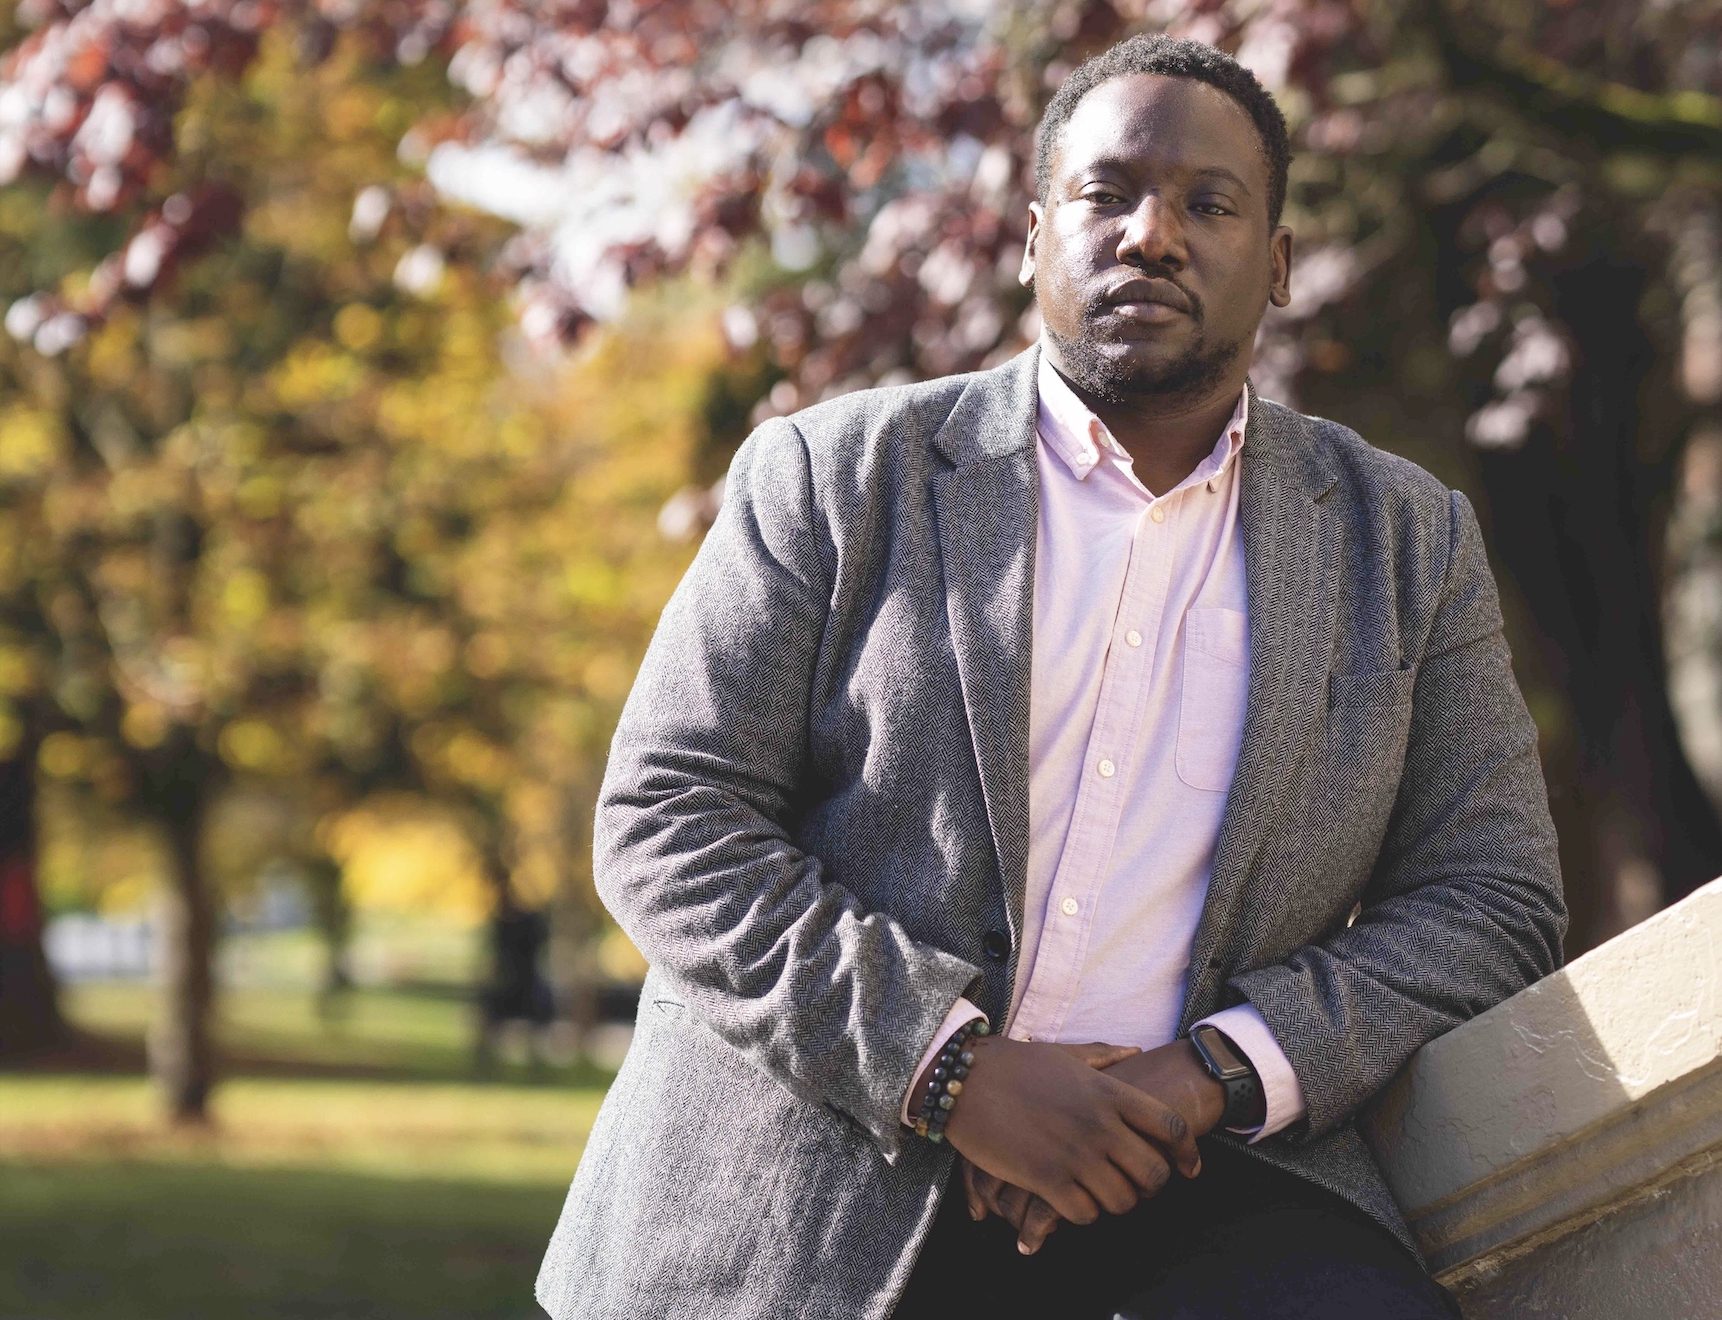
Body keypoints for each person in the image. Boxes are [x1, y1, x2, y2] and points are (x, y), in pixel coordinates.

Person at [535, 32, 1565, 1320]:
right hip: (824, 1165)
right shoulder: (833, 475)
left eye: (1209, 202)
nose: (1152, 235)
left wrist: (1214, 1074)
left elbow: (1493, 896)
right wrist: (957, 1074)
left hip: (1205, 1166)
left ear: (1280, 262)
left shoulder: (1409, 542)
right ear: (1031, 238)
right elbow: (668, 820)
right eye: (1107, 193)